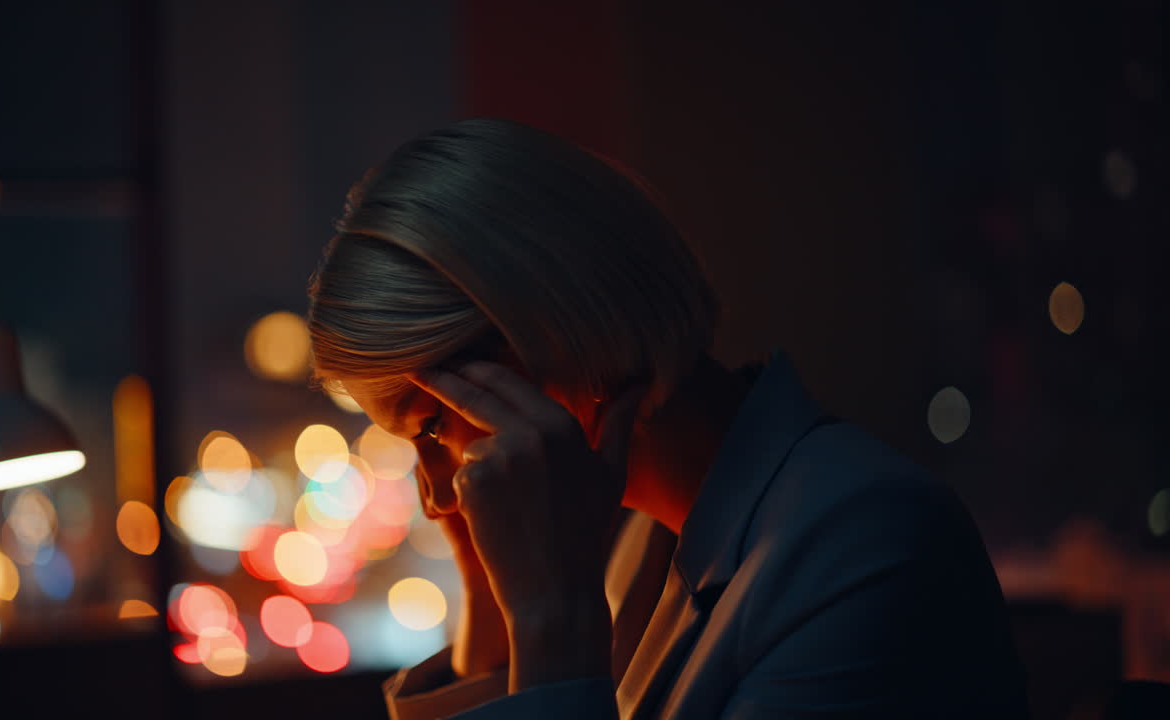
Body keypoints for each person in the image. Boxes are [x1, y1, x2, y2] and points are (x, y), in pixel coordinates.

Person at [306, 118, 1031, 719]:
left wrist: (553, 623)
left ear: (554, 331)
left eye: (433, 427)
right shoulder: (643, 550)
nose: (435, 495)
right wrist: (494, 598)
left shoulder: (864, 544)